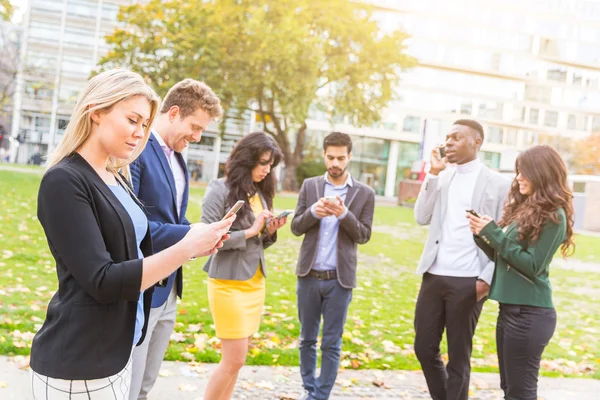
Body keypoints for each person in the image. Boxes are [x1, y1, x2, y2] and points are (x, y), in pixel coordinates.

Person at [30, 69, 234, 399]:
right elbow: (103, 280)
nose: (140, 133)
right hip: (80, 362)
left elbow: (137, 249)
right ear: (96, 111)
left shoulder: (115, 174)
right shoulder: (64, 181)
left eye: (144, 124)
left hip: (120, 351)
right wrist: (185, 247)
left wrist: (198, 243)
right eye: (132, 120)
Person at [128, 79, 223, 400]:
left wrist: (204, 237)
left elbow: (172, 220)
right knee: (129, 383)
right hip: (140, 288)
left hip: (169, 288)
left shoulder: (178, 158)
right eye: (194, 127)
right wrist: (190, 235)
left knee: (145, 384)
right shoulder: (138, 152)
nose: (197, 137)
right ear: (173, 113)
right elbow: (132, 224)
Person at [413, 119, 511, 400]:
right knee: (424, 347)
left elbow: (506, 235)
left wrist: (487, 278)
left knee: (458, 356)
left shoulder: (498, 183)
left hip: (469, 280)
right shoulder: (442, 178)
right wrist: (432, 174)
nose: (449, 142)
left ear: (477, 142)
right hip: (434, 274)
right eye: (447, 137)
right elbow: (421, 216)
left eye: (456, 137)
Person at [467, 145, 574, 400]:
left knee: (521, 393)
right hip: (510, 310)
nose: (518, 177)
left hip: (529, 314)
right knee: (510, 389)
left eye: (524, 171)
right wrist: (482, 234)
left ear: (541, 173)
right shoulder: (527, 210)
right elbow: (505, 258)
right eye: (517, 171)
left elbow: (532, 265)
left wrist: (492, 233)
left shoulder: (554, 216)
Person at [200, 131, 288, 400]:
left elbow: (260, 242)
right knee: (234, 360)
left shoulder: (260, 191)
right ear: (246, 159)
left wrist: (270, 231)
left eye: (270, 164)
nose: (266, 169)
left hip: (254, 283)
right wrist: (250, 231)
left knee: (237, 362)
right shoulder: (219, 189)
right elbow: (205, 239)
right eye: (262, 162)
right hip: (228, 284)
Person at [291, 132, 375, 400]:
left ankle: (320, 395)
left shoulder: (365, 193)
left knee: (331, 343)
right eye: (330, 157)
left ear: (349, 156)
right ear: (324, 155)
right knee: (306, 339)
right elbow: (295, 227)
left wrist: (344, 215)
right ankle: (309, 389)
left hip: (340, 279)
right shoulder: (310, 186)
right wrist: (314, 212)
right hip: (308, 275)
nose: (335, 163)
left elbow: (363, 235)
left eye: (340, 158)